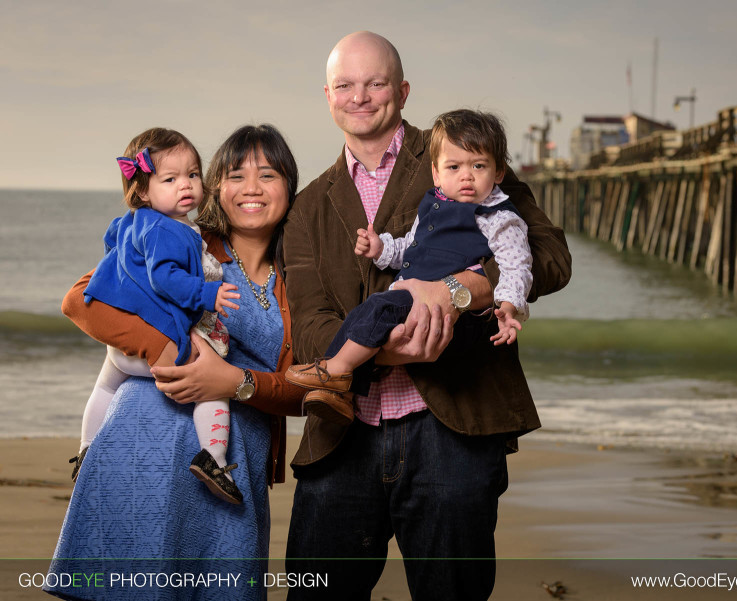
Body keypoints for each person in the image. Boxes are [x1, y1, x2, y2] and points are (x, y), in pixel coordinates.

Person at [281, 31, 572, 601]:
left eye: (376, 83)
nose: (360, 97)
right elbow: (311, 323)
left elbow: (549, 258)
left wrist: (465, 289)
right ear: (328, 95)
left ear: (403, 90)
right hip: (344, 435)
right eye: (345, 85)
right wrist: (388, 348)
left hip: (452, 427)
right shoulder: (309, 206)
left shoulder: (459, 154)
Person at [45, 124, 305, 601]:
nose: (250, 188)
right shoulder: (182, 239)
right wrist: (172, 350)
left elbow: (312, 387)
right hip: (138, 438)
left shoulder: (305, 274)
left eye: (267, 174)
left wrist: (234, 381)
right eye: (234, 174)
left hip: (226, 461)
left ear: (289, 185)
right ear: (217, 189)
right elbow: (81, 299)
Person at [284, 109, 533, 426]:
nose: (467, 176)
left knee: (379, 309)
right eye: (454, 167)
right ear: (437, 174)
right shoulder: (434, 203)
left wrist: (507, 304)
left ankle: (334, 370)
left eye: (479, 166)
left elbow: (518, 261)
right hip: (409, 291)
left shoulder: (498, 214)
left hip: (442, 317)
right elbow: (413, 246)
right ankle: (340, 387)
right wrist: (382, 248)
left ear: (498, 172)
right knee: (368, 312)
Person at [74, 127, 245, 505]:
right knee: (212, 387)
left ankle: (87, 448)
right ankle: (213, 458)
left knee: (104, 386)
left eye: (193, 174)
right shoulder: (169, 230)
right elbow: (165, 278)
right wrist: (208, 292)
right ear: (143, 190)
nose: (185, 185)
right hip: (160, 342)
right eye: (170, 179)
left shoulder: (131, 222)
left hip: (124, 348)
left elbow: (111, 247)